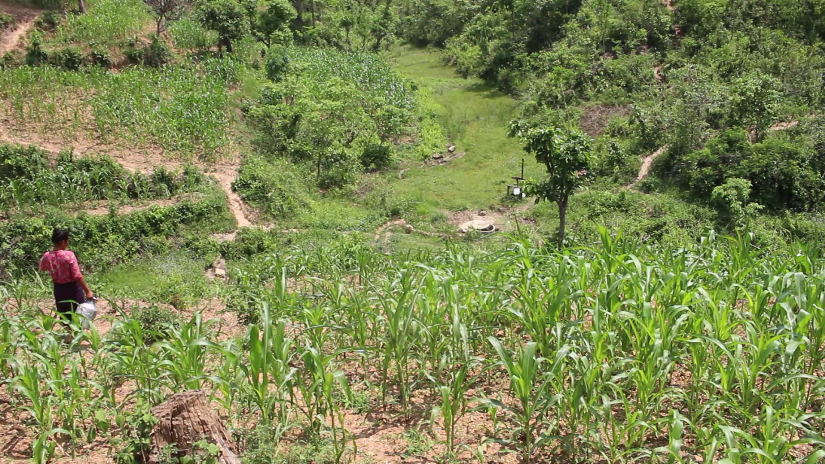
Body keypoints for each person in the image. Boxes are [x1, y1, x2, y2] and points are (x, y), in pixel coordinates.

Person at [39, 228, 93, 337]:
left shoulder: (47, 255)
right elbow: (77, 276)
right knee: (77, 312)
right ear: (63, 241)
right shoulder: (68, 255)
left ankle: (68, 336)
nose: (68, 243)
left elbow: (42, 268)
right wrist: (87, 290)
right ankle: (78, 336)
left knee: (63, 313)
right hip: (72, 288)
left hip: (58, 289)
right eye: (67, 240)